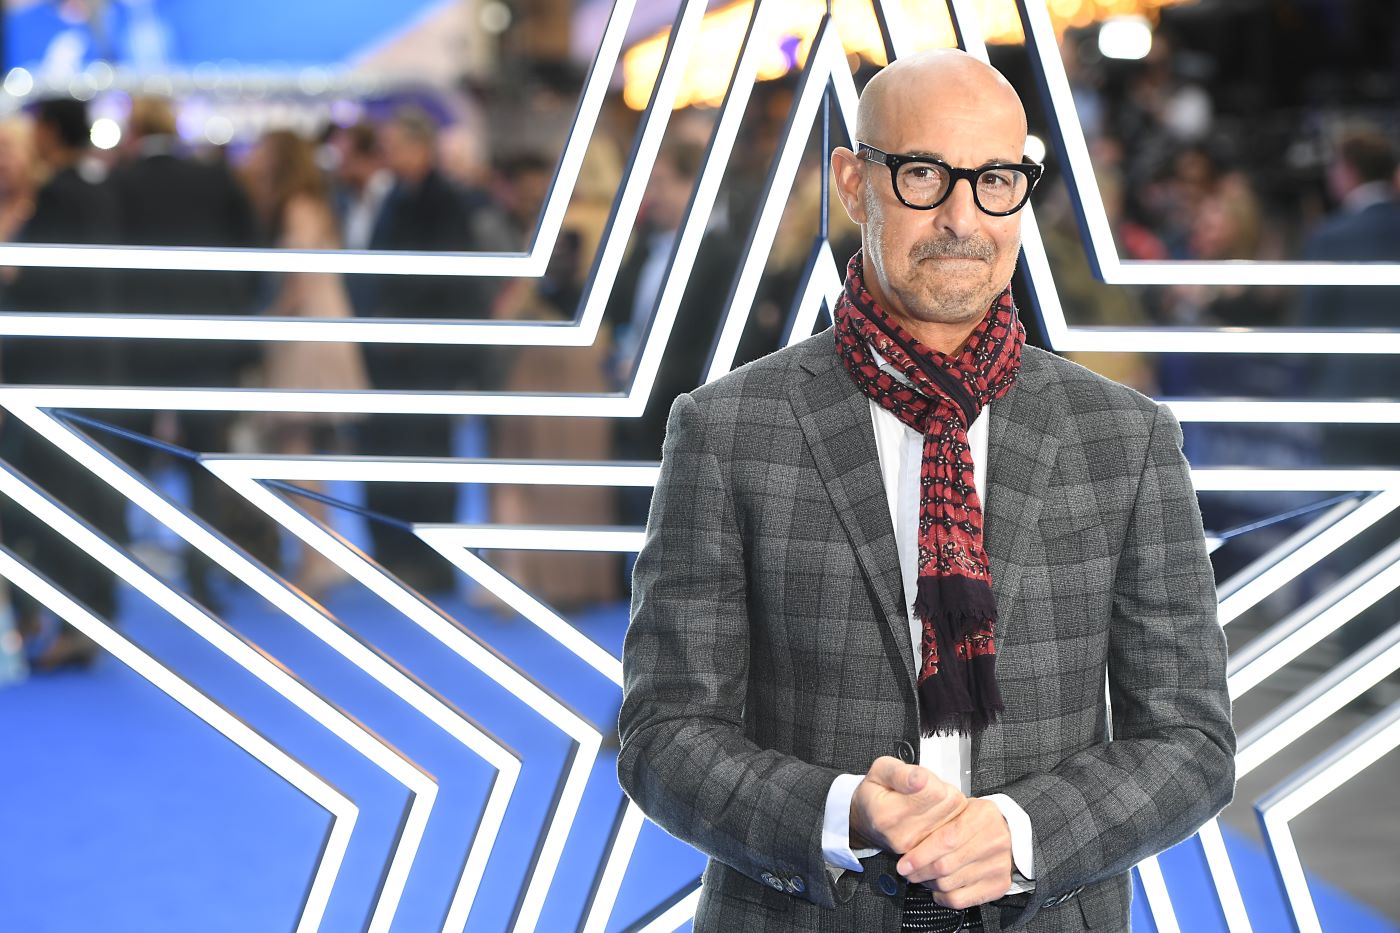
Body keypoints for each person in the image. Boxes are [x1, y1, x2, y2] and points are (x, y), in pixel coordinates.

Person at [618, 50, 1234, 932]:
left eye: (994, 179)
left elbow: (1192, 742)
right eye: (923, 176)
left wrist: (1021, 831)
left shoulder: (1123, 438)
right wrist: (841, 812)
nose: (961, 217)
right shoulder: (727, 430)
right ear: (854, 183)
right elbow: (663, 735)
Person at [242, 129, 368, 598]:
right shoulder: (316, 203)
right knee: (303, 450)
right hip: (318, 328)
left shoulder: (296, 206)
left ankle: (316, 562)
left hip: (304, 334)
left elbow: (296, 281)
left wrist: (262, 322)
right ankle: (319, 557)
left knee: (295, 449)